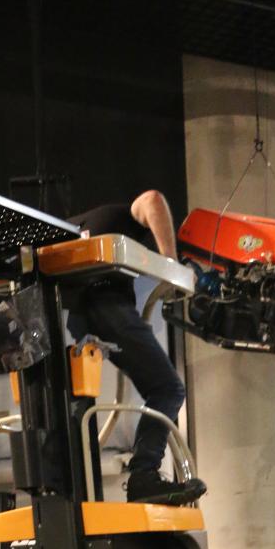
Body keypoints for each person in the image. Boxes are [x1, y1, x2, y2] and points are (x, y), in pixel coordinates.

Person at [65, 192, 205, 506]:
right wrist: (170, 260)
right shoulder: (121, 215)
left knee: (80, 402)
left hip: (77, 317)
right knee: (168, 390)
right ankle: (144, 476)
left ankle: (71, 482)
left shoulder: (70, 231)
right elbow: (152, 200)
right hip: (107, 303)